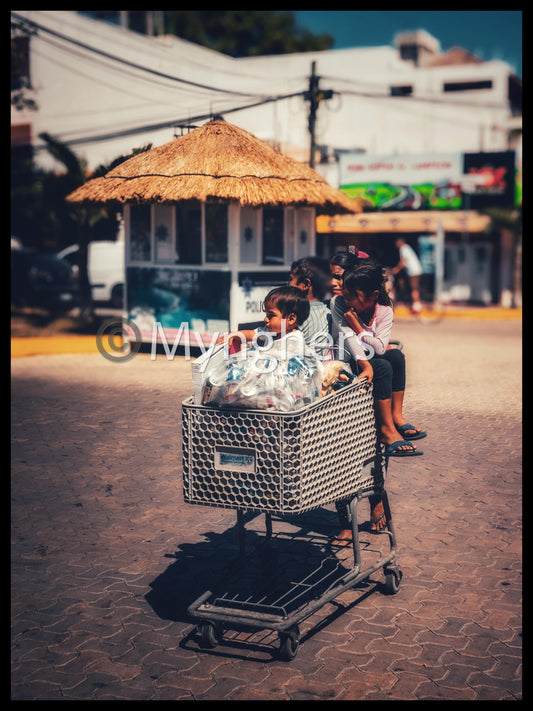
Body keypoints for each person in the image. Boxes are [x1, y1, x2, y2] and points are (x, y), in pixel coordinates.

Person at [330, 262, 426, 536]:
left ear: (372, 295)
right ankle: (387, 429)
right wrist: (364, 350)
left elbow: (382, 346)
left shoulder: (383, 309)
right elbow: (348, 339)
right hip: (351, 360)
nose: (345, 297)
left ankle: (396, 418)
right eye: (344, 290)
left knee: (395, 356)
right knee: (384, 364)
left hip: (372, 356)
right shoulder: (339, 304)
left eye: (352, 294)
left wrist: (359, 325)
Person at [288, 257, 332, 358]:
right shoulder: (328, 312)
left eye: (291, 279)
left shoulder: (298, 315)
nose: (288, 284)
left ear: (306, 284)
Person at [390, 237, 423, 314]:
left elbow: (403, 261)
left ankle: (417, 306)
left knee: (414, 288)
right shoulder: (407, 248)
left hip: (414, 271)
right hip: (415, 271)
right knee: (414, 288)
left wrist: (396, 269)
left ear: (400, 243)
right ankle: (416, 305)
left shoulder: (404, 249)